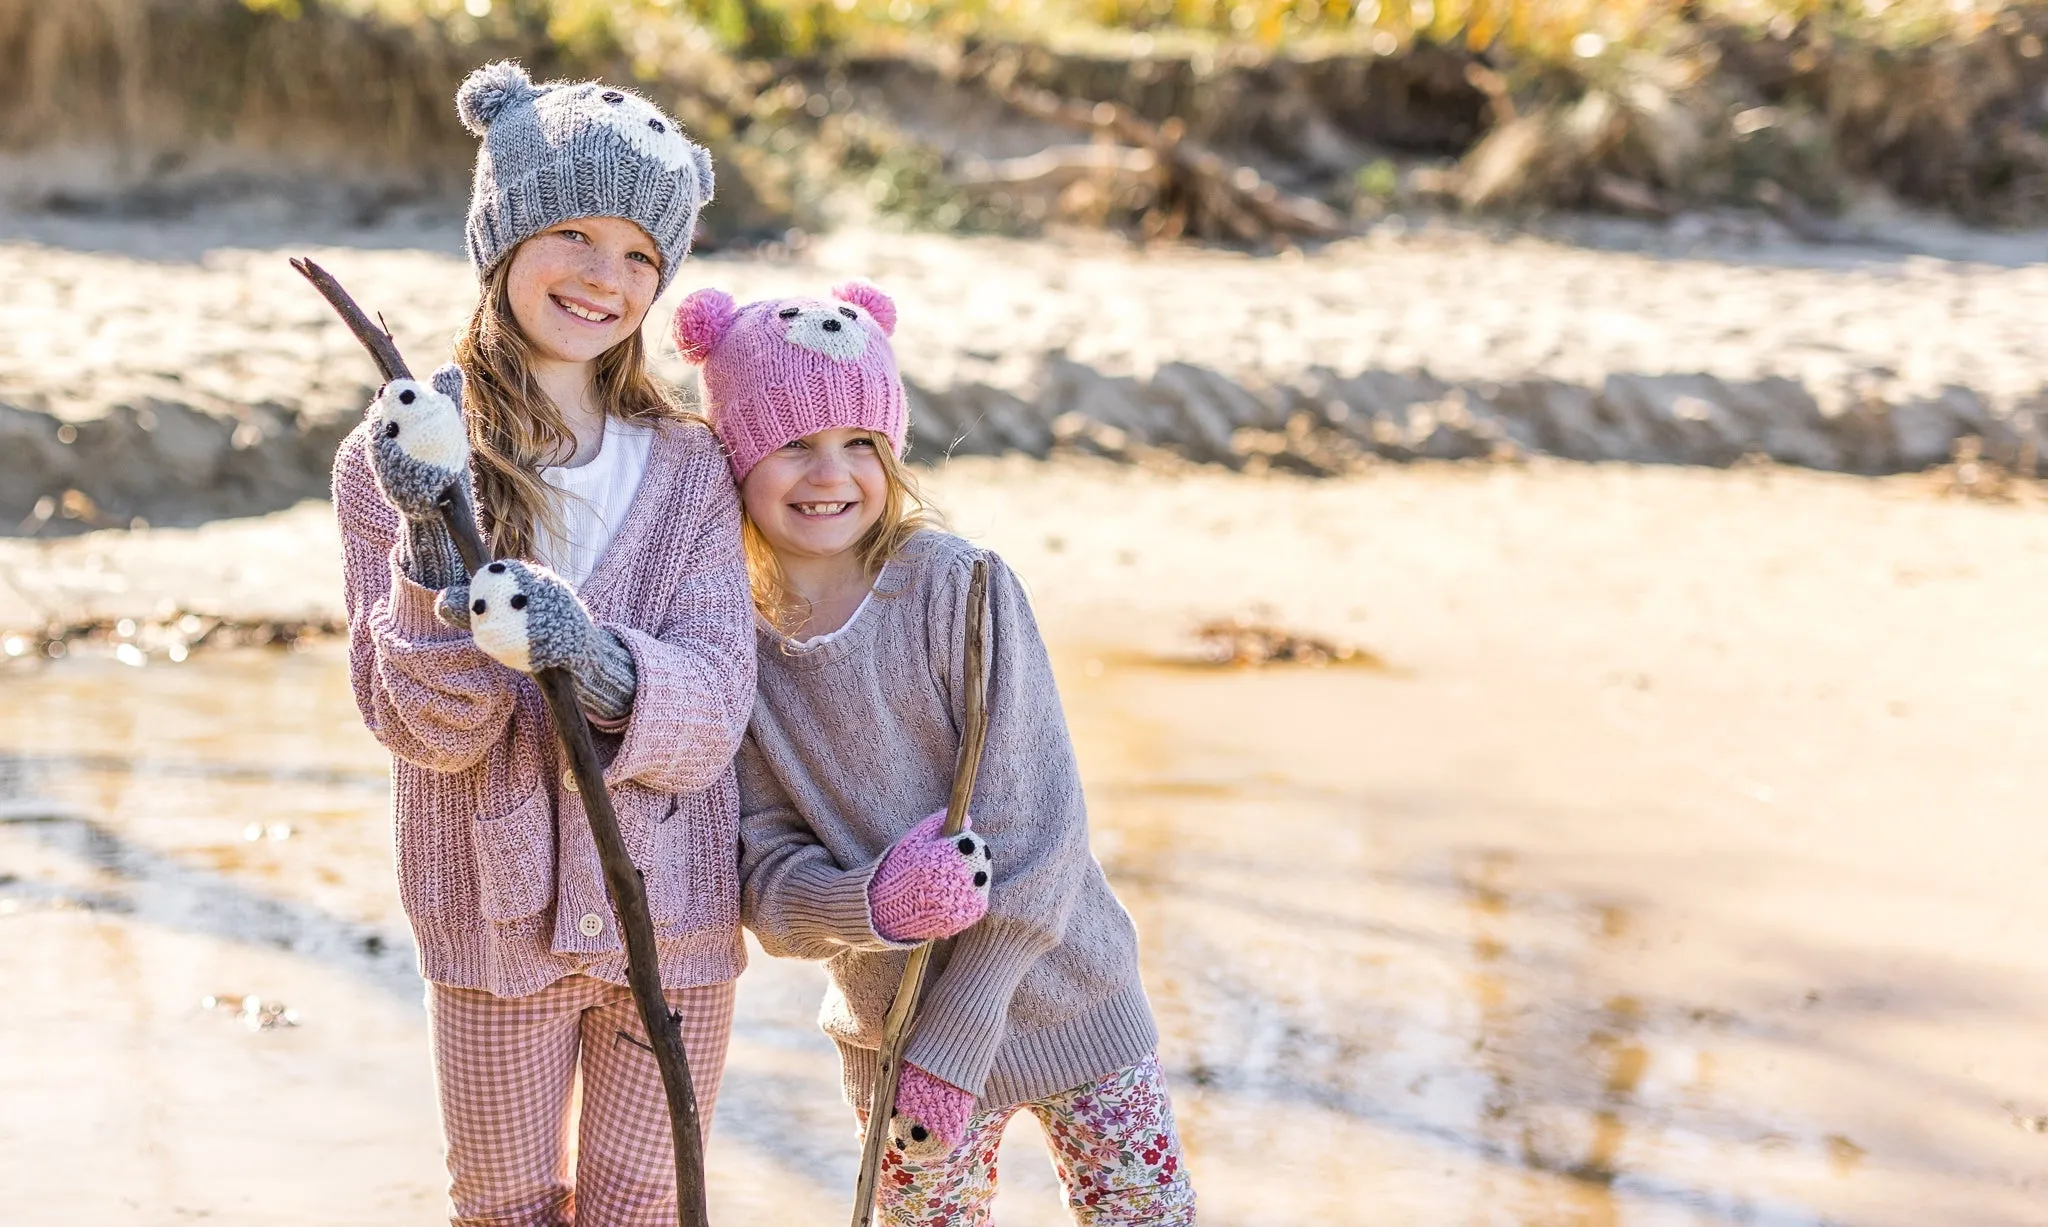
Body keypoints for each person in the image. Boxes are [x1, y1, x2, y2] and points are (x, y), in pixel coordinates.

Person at [672, 281, 1197, 1224]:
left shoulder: (961, 588)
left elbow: (1038, 825)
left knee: (1145, 1212)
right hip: (892, 1027)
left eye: (859, 445)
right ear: (738, 458)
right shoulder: (732, 643)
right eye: (794, 443)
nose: (830, 473)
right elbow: (761, 875)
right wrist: (868, 901)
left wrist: (954, 1041)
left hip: (1066, 992)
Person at [331, 60, 752, 1226]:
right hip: (488, 915)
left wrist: (593, 656)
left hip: (671, 917)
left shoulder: (690, 467)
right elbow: (425, 729)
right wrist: (429, 534)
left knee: (640, 1203)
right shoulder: (404, 456)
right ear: (500, 237)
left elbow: (714, 706)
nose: (602, 277)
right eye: (570, 231)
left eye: (638, 256)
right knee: (504, 1203)